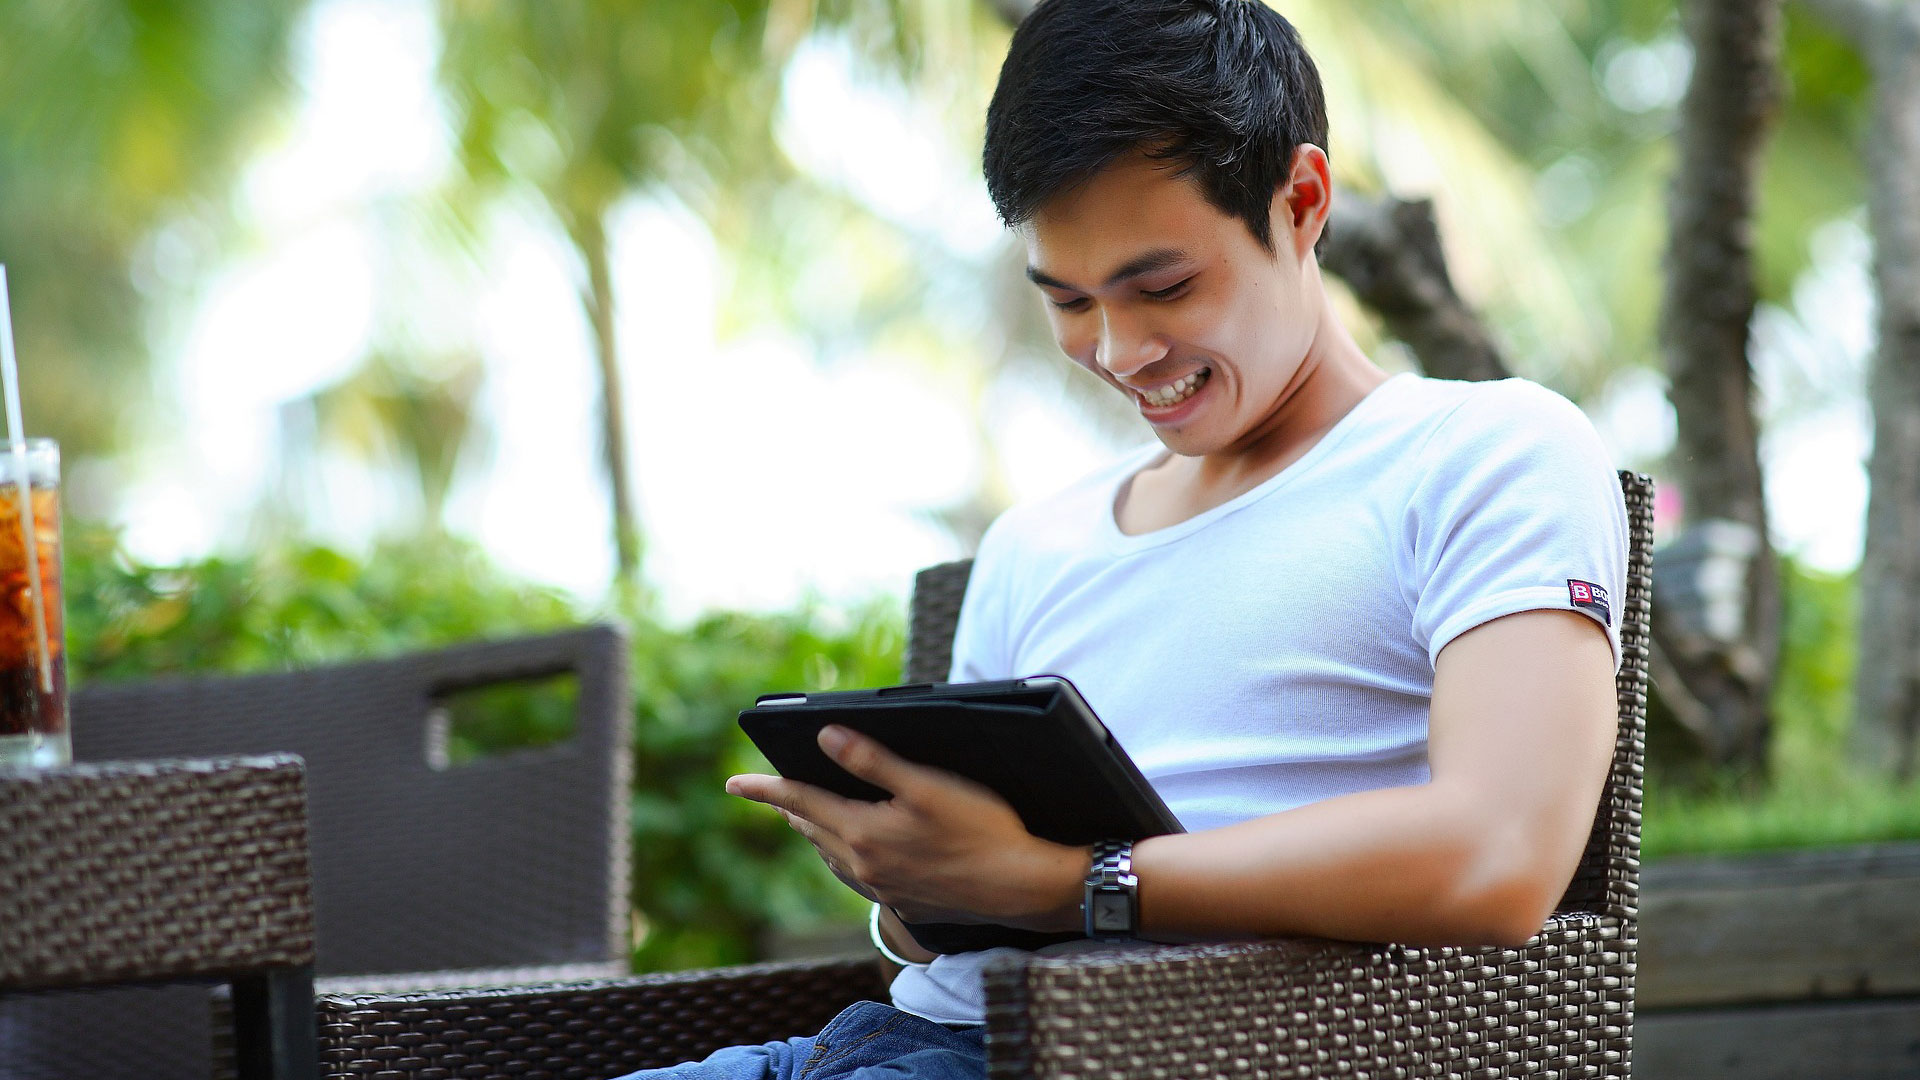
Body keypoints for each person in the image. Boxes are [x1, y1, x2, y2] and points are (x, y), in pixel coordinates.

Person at [611, 0, 1626, 1076]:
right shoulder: (1034, 543)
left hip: (1131, 1052)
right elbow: (944, 937)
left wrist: (1066, 882)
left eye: (1164, 287)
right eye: (1069, 300)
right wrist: (914, 878)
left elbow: (1502, 859)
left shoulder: (1483, 451)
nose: (1121, 349)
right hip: (876, 1041)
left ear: (1303, 202)